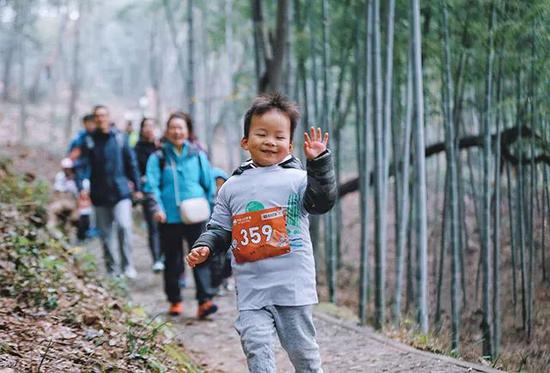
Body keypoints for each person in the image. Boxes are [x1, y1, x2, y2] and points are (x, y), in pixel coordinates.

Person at [186, 92, 336, 372]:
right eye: (261, 134)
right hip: (251, 288)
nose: (270, 141)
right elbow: (220, 227)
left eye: (279, 137)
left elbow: (323, 202)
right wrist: (206, 245)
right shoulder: (232, 186)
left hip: (291, 286)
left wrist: (320, 163)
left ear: (290, 145)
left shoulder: (298, 180)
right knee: (257, 350)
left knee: (303, 354)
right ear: (245, 141)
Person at [144, 111, 217, 318]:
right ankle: (175, 300)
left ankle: (205, 300)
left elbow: (208, 183)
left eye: (181, 128)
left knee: (201, 256)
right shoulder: (158, 157)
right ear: (166, 131)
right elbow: (151, 185)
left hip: (197, 215)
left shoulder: (197, 154)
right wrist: (157, 208)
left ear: (188, 131)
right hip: (169, 217)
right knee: (173, 260)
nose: (177, 132)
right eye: (173, 128)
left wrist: (211, 208)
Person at [75, 105, 142, 279]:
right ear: (94, 119)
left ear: (108, 117)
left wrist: (137, 188)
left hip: (121, 192)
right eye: (97, 116)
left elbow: (131, 163)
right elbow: (81, 165)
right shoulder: (89, 141)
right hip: (99, 195)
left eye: (103, 115)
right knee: (105, 235)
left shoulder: (120, 138)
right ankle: (112, 270)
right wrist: (81, 186)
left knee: (124, 226)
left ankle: (128, 266)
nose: (100, 119)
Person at [134, 117, 163, 272]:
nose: (149, 129)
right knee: (153, 226)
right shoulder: (137, 149)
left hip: (164, 190)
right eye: (146, 126)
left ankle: (164, 255)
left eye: (152, 126)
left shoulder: (162, 147)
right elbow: (134, 169)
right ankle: (156, 258)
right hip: (148, 191)